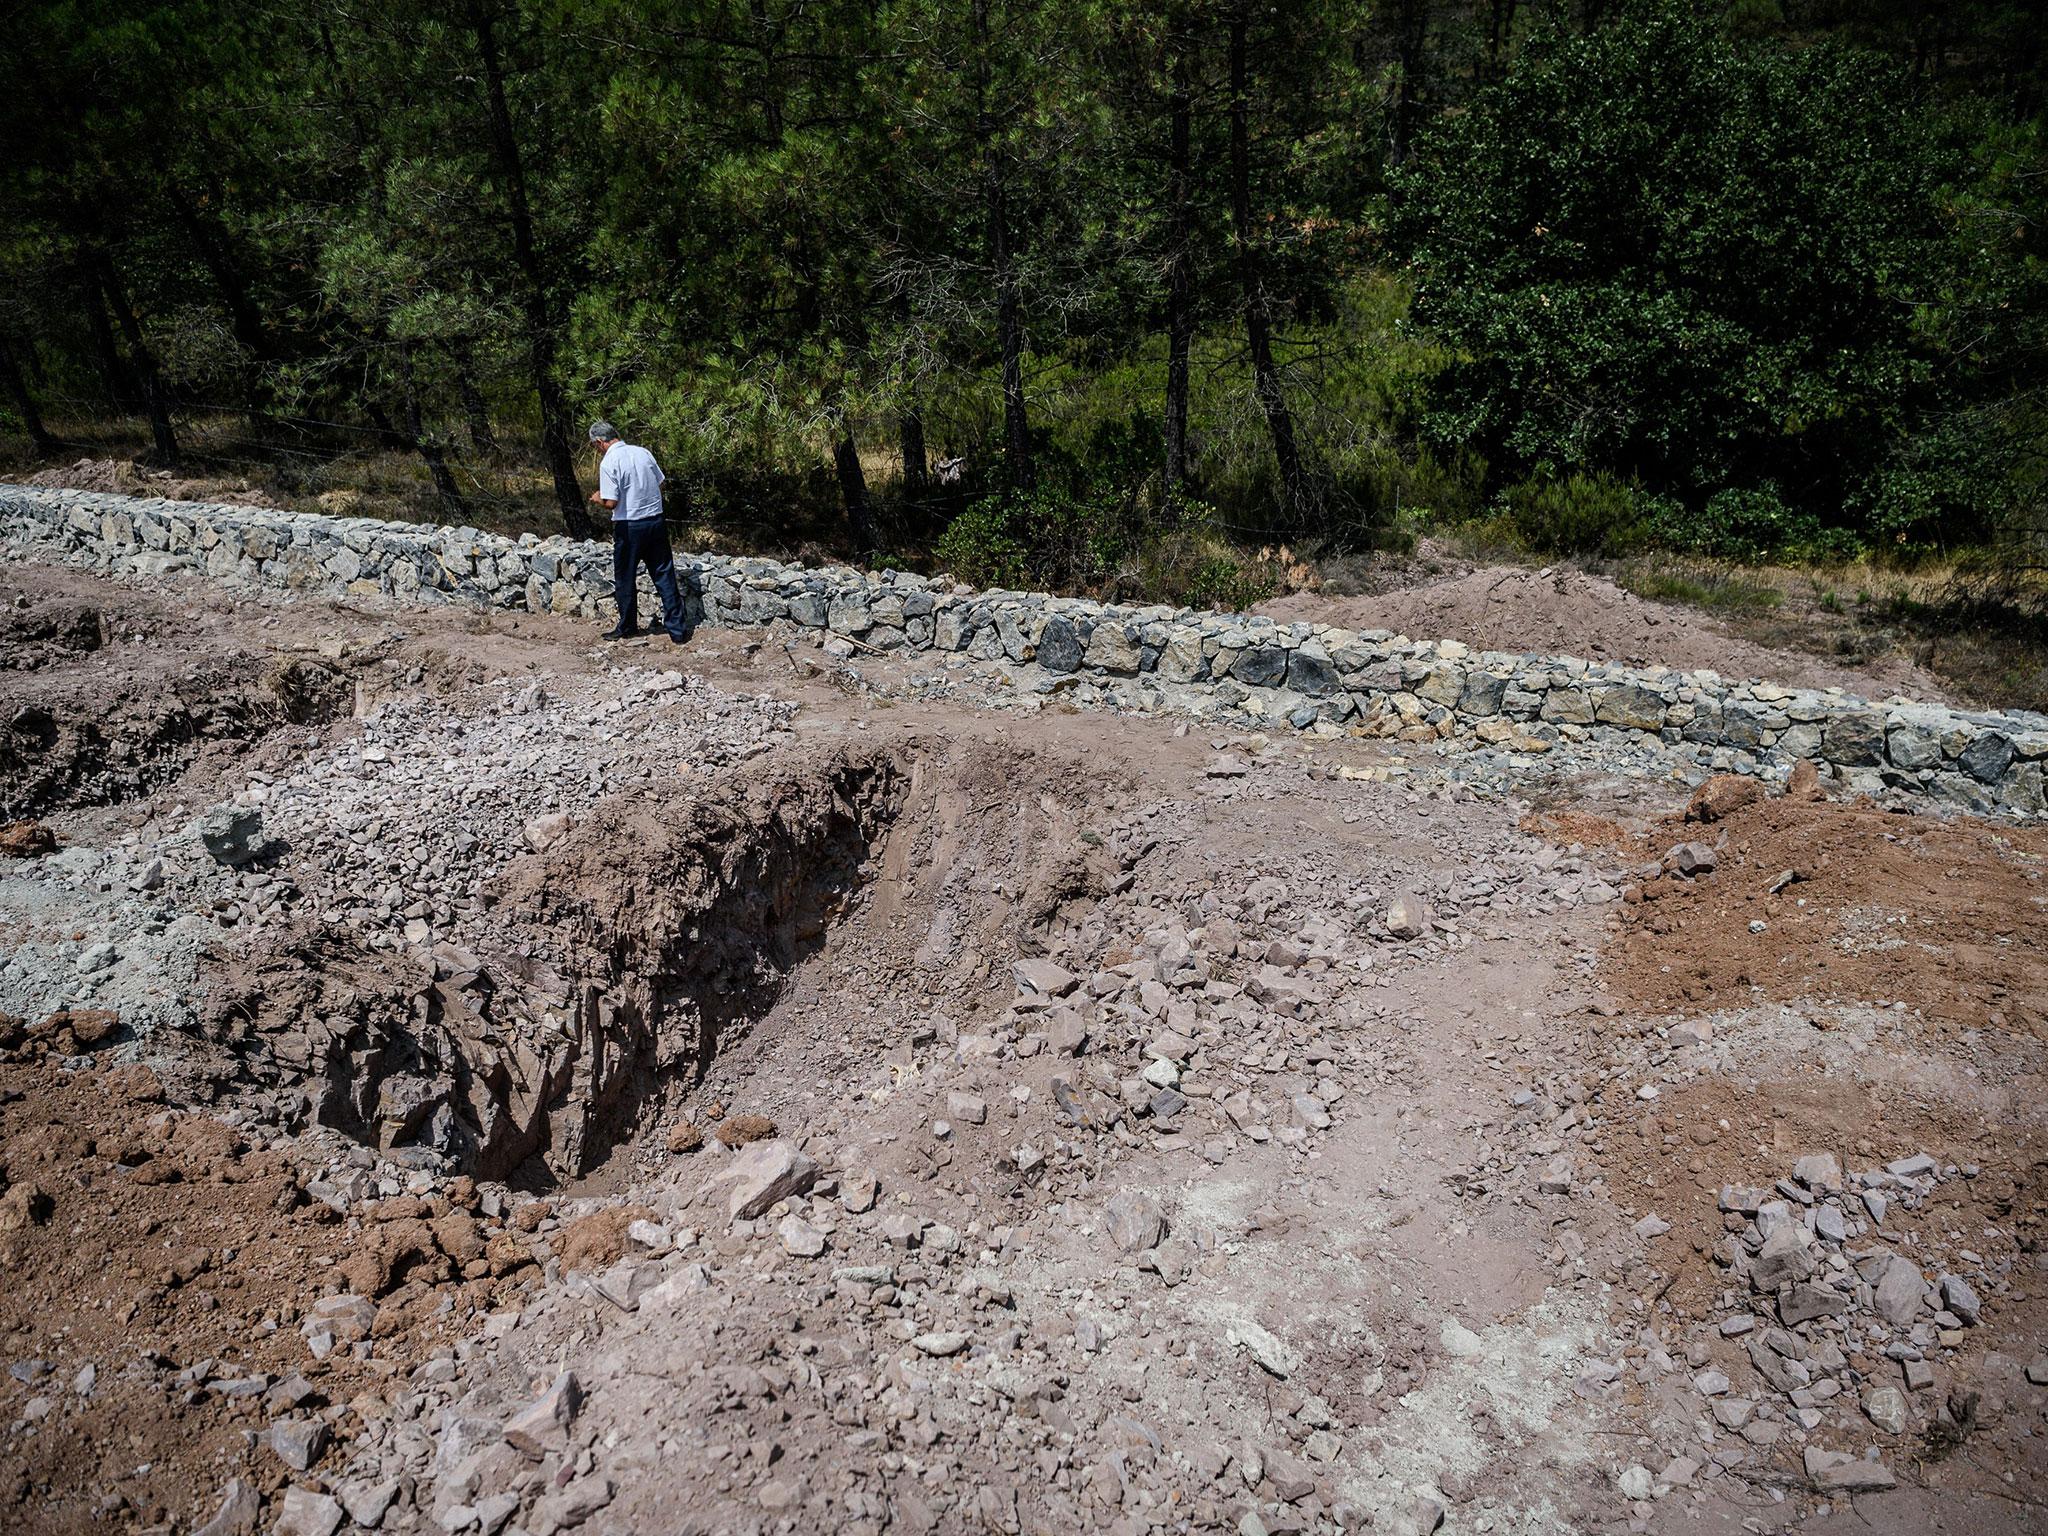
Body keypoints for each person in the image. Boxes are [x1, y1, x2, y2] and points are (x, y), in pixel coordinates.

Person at [588, 420, 691, 643]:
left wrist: (598, 498)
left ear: (599, 442)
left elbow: (611, 502)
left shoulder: (609, 462)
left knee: (625, 577)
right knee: (664, 574)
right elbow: (660, 482)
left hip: (629, 525)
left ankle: (627, 626)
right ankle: (678, 630)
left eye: (595, 447)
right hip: (655, 520)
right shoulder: (643, 452)